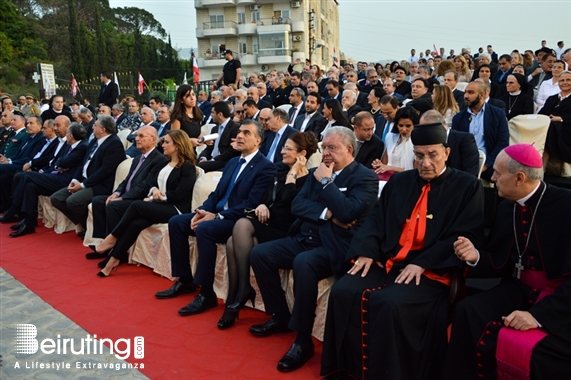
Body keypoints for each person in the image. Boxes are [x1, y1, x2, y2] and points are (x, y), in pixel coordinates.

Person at [320, 123, 484, 380]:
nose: (425, 162)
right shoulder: (401, 181)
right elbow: (376, 220)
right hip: (388, 261)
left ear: (447, 153)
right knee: (343, 291)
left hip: (431, 269)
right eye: (419, 155)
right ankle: (347, 369)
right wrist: (367, 252)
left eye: (433, 154)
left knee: (390, 303)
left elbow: (463, 235)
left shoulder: (467, 186)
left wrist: (423, 262)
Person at [250, 126, 379, 372]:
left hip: (335, 245)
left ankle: (302, 341)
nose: (326, 153)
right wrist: (328, 213)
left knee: (304, 262)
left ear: (349, 149)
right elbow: (298, 205)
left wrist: (327, 182)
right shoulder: (315, 173)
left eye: (333, 148)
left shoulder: (364, 177)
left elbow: (349, 212)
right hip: (304, 237)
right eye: (324, 148)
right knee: (260, 253)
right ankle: (280, 315)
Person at [442, 144, 571, 380]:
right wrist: (475, 256)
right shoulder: (506, 207)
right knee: (467, 310)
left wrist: (537, 316)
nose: (492, 178)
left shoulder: (566, 206)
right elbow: (500, 261)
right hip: (518, 288)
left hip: (560, 297)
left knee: (548, 353)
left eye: (499, 174)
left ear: (519, 178)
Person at [155, 121, 276, 316]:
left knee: (205, 229)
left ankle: (206, 293)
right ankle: (184, 280)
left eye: (246, 133)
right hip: (216, 214)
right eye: (239, 132)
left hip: (237, 221)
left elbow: (251, 204)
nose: (240, 136)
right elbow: (217, 194)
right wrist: (201, 211)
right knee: (177, 222)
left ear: (258, 140)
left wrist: (217, 216)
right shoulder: (233, 162)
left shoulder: (265, 167)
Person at [217, 131, 319, 329]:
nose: (282, 151)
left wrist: (293, 174)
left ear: (302, 153)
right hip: (268, 223)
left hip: (287, 229)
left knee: (241, 225)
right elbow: (265, 199)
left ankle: (238, 296)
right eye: (283, 147)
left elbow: (293, 206)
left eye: (288, 148)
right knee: (233, 240)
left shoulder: (310, 179)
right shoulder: (278, 170)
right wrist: (262, 206)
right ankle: (236, 298)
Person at [95, 130, 198, 277]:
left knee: (137, 205)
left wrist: (155, 198)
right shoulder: (166, 164)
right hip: (162, 206)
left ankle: (112, 237)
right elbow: (153, 184)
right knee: (135, 224)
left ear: (178, 145)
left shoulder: (187, 167)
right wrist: (154, 190)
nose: (163, 144)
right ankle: (114, 259)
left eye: (167, 142)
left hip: (176, 209)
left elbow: (179, 194)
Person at [87, 126, 167, 261]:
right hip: (126, 196)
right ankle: (103, 243)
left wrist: (123, 198)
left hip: (140, 199)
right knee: (98, 201)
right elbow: (127, 180)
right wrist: (117, 193)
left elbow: (146, 185)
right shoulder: (137, 158)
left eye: (141, 136)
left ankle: (117, 251)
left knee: (113, 206)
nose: (136, 139)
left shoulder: (159, 160)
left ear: (153, 139)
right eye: (136, 136)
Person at [0, 123, 87, 235]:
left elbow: (62, 162)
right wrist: (59, 165)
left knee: (25, 175)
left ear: (70, 136)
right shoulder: (71, 145)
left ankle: (14, 209)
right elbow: (59, 161)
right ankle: (28, 222)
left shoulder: (82, 147)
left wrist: (59, 165)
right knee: (31, 186)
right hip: (56, 175)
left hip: (65, 181)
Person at [50, 115, 125, 237]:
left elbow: (105, 171)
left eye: (95, 125)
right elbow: (83, 163)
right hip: (84, 180)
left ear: (103, 129)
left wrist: (83, 185)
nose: (92, 127)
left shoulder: (114, 144)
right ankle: (82, 222)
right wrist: (75, 179)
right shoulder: (95, 141)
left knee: (73, 201)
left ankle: (89, 227)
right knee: (56, 198)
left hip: (100, 185)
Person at [451, 81, 509, 181]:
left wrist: (487, 164)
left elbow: (503, 142)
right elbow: (455, 145)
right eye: (465, 92)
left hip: (490, 161)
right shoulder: (458, 118)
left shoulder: (497, 114)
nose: (466, 96)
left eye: (470, 92)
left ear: (482, 95)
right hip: (465, 163)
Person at [420, 110, 480, 177]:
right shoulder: (424, 144)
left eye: (425, 130)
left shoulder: (465, 140)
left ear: (440, 127)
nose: (423, 134)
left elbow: (470, 173)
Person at [372, 107, 418, 179]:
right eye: (401, 125)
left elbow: (415, 171)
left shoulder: (417, 142)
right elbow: (385, 163)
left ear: (414, 125)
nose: (404, 129)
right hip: (388, 179)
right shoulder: (390, 137)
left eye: (408, 126)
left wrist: (391, 168)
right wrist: (379, 164)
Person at [538, 70, 571, 167]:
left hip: (567, 128)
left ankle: (542, 167)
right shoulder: (552, 98)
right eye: (562, 80)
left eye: (568, 80)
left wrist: (561, 119)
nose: (565, 82)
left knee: (551, 128)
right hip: (551, 127)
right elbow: (542, 114)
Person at [197, 101, 240, 172]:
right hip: (211, 159)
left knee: (201, 167)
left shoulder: (235, 128)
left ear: (220, 114)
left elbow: (231, 151)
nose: (211, 115)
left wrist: (213, 160)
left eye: (213, 113)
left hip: (224, 161)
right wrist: (203, 157)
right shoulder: (215, 129)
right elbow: (209, 147)